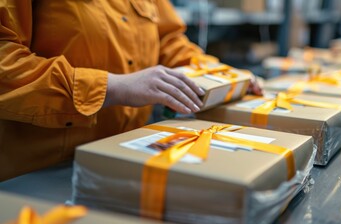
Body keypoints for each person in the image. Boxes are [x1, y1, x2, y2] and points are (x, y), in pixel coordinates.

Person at [0, 0, 262, 181]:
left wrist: (220, 76)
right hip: (38, 172)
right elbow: (5, 61)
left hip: (126, 156)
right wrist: (113, 88)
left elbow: (169, 42)